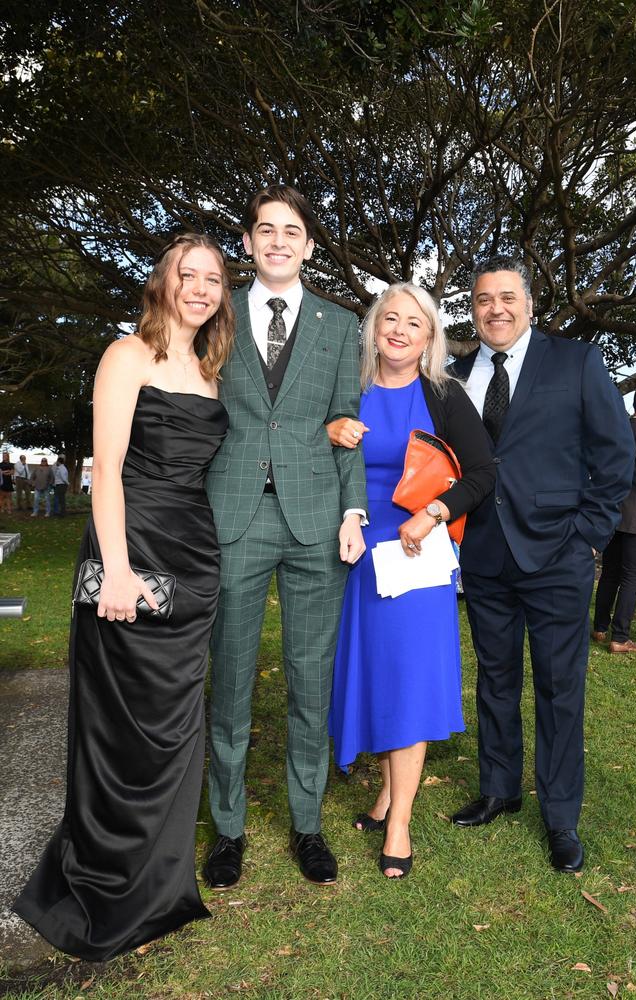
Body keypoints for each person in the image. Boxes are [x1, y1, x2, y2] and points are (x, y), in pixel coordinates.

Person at [13, 232, 234, 961]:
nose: (200, 287)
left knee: (172, 730)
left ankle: (158, 888)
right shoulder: (125, 355)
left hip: (193, 562)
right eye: (187, 274)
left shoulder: (209, 370)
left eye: (212, 278)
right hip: (130, 557)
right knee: (121, 729)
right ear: (161, 282)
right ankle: (105, 888)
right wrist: (115, 570)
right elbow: (105, 470)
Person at [449, 254, 635, 872]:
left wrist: (589, 536)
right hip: (482, 554)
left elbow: (615, 455)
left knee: (559, 689)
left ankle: (560, 816)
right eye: (483, 299)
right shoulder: (452, 375)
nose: (495, 309)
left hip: (558, 553)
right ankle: (499, 789)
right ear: (472, 308)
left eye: (506, 297)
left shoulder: (575, 361)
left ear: (528, 303)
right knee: (495, 680)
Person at [204, 184, 367, 891]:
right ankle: (229, 829)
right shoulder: (216, 315)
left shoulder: (339, 324)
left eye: (291, 230)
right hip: (234, 515)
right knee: (230, 682)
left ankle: (307, 824)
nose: (277, 240)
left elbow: (347, 424)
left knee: (310, 681)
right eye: (264, 229)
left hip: (315, 519)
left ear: (306, 244)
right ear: (247, 242)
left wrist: (354, 513)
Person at [326, 283, 495, 879]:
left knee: (410, 680)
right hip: (355, 552)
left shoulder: (443, 394)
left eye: (414, 323)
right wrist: (327, 432)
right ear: (373, 326)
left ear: (430, 339)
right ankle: (385, 795)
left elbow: (481, 473)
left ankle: (399, 825)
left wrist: (438, 511)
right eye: (389, 318)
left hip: (417, 553)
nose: (399, 330)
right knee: (374, 673)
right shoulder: (348, 388)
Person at [593, 385, 636, 653]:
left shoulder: (619, 431)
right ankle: (621, 636)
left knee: (610, 572)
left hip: (614, 514)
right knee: (631, 578)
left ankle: (600, 627)